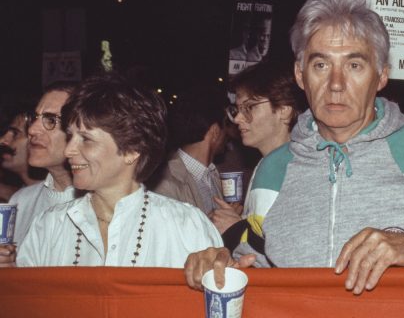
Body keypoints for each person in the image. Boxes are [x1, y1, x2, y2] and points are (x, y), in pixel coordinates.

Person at [185, 0, 404, 294]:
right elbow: (254, 267)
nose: (335, 83)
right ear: (299, 74)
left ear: (382, 74)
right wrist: (221, 264)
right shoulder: (272, 170)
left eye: (354, 65)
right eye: (320, 64)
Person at [16, 72, 223, 267]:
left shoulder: (186, 227)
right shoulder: (49, 227)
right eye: (70, 136)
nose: (69, 150)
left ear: (132, 150)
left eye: (86, 139)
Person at [211, 60, 305, 247]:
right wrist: (243, 221)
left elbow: (274, 249)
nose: (237, 118)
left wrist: (234, 227)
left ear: (284, 111)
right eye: (237, 109)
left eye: (250, 107)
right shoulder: (287, 159)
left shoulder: (276, 165)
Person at [0, 82, 77, 267]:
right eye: (36, 117)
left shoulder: (102, 205)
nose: (33, 129)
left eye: (50, 120)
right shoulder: (22, 200)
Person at [151, 84, 228, 215]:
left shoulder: (212, 174)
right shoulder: (165, 183)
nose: (228, 133)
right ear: (215, 131)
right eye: (226, 124)